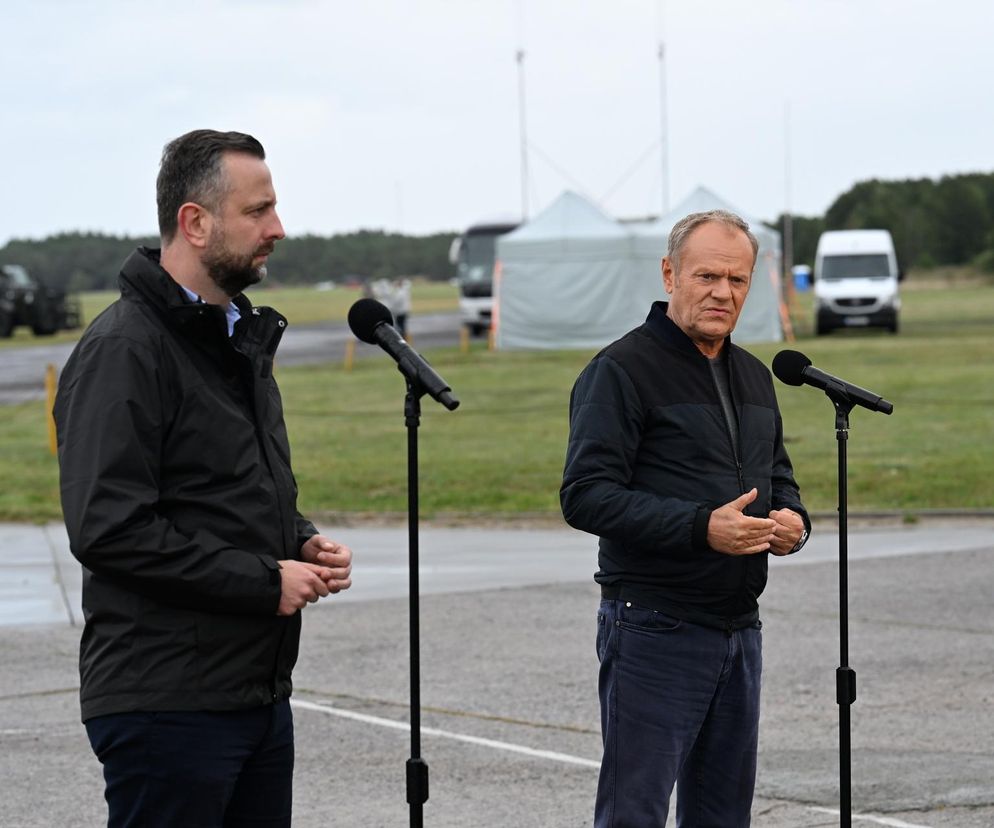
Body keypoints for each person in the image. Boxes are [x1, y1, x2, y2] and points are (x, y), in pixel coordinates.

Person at [54, 129, 353, 828]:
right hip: (168, 702)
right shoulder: (126, 349)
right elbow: (109, 528)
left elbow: (220, 493)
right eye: (258, 212)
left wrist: (299, 540)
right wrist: (261, 579)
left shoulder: (234, 340)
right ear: (195, 221)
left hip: (251, 693)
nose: (278, 229)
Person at [560, 209, 810, 827]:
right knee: (634, 814)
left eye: (738, 280)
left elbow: (776, 474)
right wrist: (703, 527)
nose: (723, 293)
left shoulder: (754, 375)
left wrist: (793, 521)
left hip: (739, 629)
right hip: (654, 627)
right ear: (670, 274)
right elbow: (586, 495)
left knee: (724, 817)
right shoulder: (620, 371)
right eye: (707, 276)